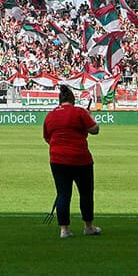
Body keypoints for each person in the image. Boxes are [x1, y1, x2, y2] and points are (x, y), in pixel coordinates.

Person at [43, 85, 99, 239]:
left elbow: (48, 138)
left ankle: (64, 230)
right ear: (73, 99)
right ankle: (88, 227)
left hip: (57, 160)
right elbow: (94, 129)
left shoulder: (50, 115)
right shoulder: (79, 112)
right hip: (80, 159)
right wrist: (90, 116)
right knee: (86, 193)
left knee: (63, 194)